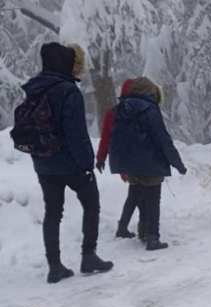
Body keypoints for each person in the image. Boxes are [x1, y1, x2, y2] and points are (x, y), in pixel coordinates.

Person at [20, 42, 113, 283]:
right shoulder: (68, 91)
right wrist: (87, 164)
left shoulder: (35, 88)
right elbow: (76, 134)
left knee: (53, 213)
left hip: (43, 162)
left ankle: (54, 266)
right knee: (91, 204)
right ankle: (88, 255)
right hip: (70, 164)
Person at [109, 77, 187, 251]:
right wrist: (177, 163)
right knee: (152, 200)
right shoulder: (150, 109)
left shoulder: (121, 108)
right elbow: (162, 138)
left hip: (130, 163)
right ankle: (152, 237)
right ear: (150, 92)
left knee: (138, 195)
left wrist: (119, 163)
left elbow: (115, 137)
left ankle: (143, 232)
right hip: (150, 162)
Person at [96, 79, 143, 240]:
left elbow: (105, 138)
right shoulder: (140, 111)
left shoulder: (112, 113)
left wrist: (101, 158)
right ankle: (138, 228)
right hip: (138, 159)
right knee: (140, 192)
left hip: (122, 160)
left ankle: (124, 226)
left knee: (135, 192)